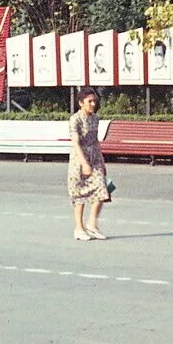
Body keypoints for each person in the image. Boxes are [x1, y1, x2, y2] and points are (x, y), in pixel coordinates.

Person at [68, 88, 110, 241]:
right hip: (79, 160)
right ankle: (79, 228)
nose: (93, 104)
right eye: (89, 101)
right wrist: (84, 164)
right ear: (81, 103)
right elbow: (76, 144)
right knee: (79, 194)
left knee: (102, 188)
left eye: (94, 101)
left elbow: (96, 141)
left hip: (95, 157)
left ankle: (92, 224)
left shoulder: (95, 118)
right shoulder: (75, 119)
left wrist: (102, 161)